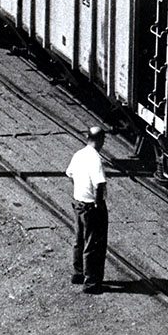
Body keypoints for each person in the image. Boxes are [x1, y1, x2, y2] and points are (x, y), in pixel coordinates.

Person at [66, 126, 108, 294]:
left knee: (79, 240)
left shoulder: (78, 154)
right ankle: (91, 283)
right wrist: (98, 204)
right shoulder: (95, 158)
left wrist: (80, 190)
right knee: (94, 245)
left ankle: (78, 274)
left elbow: (69, 174)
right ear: (100, 140)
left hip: (78, 203)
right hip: (91, 207)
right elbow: (99, 184)